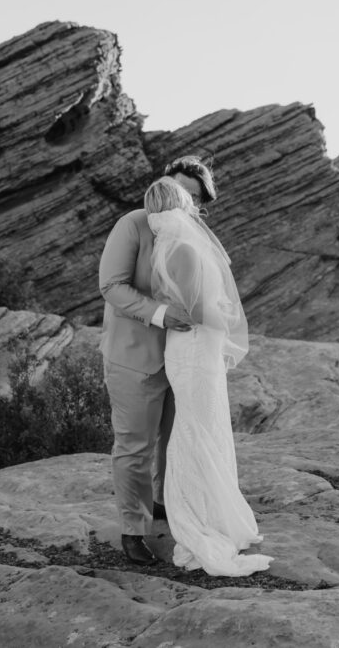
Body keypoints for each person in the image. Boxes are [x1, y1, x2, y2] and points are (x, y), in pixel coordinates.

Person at [144, 177, 273, 576]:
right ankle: (200, 523)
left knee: (204, 429)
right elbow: (200, 311)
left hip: (195, 349)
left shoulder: (169, 245)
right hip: (196, 350)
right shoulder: (182, 247)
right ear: (180, 205)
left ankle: (214, 514)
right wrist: (231, 320)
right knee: (197, 432)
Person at [98, 156, 216, 566]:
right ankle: (133, 531)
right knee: (134, 446)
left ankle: (164, 502)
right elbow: (111, 285)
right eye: (182, 190)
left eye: (196, 197)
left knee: (174, 439)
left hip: (181, 359)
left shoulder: (194, 233)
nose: (187, 201)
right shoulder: (133, 224)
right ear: (166, 185)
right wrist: (162, 314)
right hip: (134, 357)